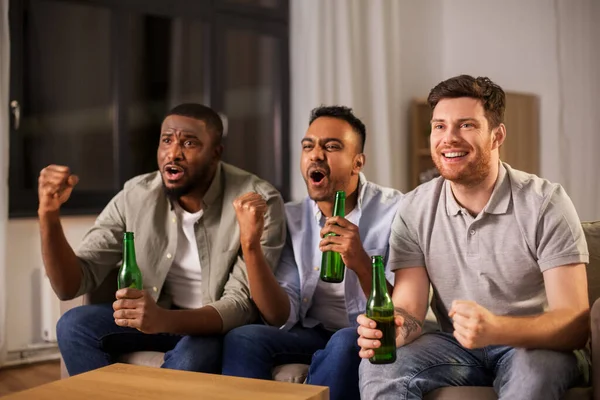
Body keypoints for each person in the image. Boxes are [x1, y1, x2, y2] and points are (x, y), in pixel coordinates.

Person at [357, 75, 590, 400]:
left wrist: (497, 329)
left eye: (465, 125)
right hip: (457, 346)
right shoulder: (414, 208)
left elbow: (575, 323)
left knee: (532, 376)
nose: (448, 138)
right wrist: (395, 329)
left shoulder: (545, 204)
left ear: (497, 136)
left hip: (535, 346)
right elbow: (409, 306)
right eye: (439, 126)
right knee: (379, 365)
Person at [40, 103, 286, 376]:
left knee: (190, 358)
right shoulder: (136, 195)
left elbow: (240, 305)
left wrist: (163, 319)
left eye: (189, 143)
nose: (174, 153)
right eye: (166, 140)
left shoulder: (258, 199)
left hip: (212, 326)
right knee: (73, 324)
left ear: (216, 154)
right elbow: (70, 284)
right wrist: (49, 215)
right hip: (156, 317)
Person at [221, 105, 402, 400]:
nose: (316, 154)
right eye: (308, 146)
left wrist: (360, 262)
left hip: (368, 332)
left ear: (358, 162)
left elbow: (401, 309)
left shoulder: (395, 211)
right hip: (312, 330)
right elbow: (279, 313)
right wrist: (251, 246)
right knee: (243, 337)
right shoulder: (292, 218)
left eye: (331, 146)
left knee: (344, 341)